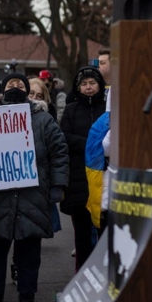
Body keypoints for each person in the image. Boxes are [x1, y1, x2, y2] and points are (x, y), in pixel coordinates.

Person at [0, 73, 68, 302]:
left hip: (32, 195)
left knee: (29, 250)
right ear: (2, 89)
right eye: (10, 84)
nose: (15, 87)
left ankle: (27, 291)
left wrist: (57, 185)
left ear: (27, 91)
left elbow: (59, 152)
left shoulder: (43, 119)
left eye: (20, 85)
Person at [60, 67, 107, 270]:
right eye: (84, 84)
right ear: (78, 87)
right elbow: (65, 137)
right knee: (82, 237)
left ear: (100, 85)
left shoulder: (108, 109)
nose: (88, 88)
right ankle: (82, 275)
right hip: (79, 180)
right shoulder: (71, 109)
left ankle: (106, 275)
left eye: (92, 83)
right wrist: (92, 143)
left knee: (105, 233)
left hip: (104, 180)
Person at [28, 78, 63, 233]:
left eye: (39, 95)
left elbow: (57, 152)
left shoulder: (48, 119)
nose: (34, 98)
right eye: (31, 93)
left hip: (40, 176)